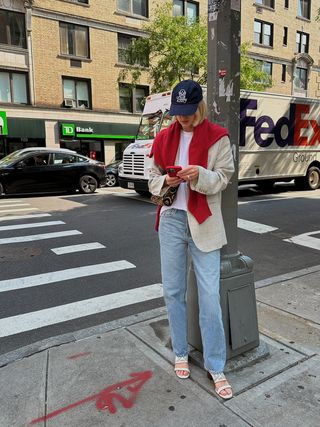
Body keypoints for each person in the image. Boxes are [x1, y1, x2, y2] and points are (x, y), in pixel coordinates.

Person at [148, 80, 235, 400]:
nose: (182, 118)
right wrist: (166, 181)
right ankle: (180, 351)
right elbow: (152, 177)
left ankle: (216, 365)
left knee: (210, 298)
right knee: (173, 291)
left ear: (200, 107)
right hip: (172, 220)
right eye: (177, 112)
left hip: (205, 222)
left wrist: (200, 174)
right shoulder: (162, 138)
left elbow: (224, 178)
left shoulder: (217, 137)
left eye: (187, 112)